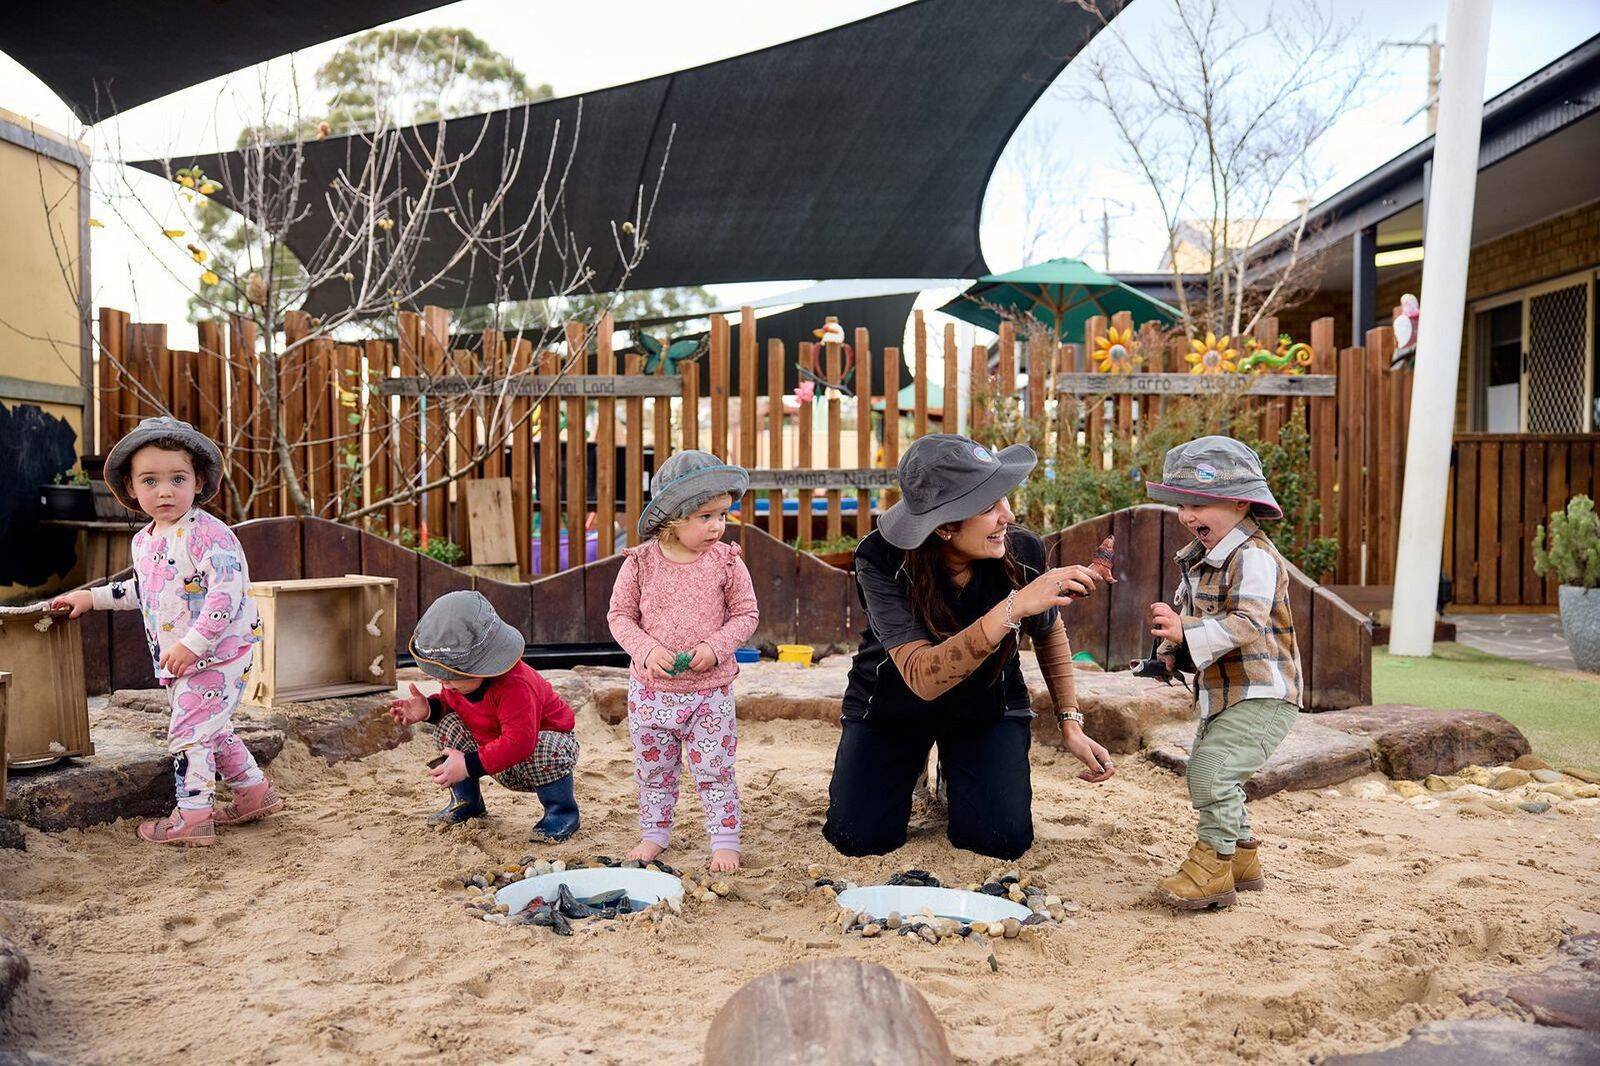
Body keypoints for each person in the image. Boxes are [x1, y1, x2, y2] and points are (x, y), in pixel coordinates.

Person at [822, 434, 1115, 862]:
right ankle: (913, 762)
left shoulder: (1022, 550)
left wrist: (1070, 722)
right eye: (988, 506)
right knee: (858, 839)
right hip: (893, 706)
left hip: (987, 704)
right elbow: (921, 678)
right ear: (943, 526)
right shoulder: (882, 558)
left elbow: (1049, 631)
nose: (1008, 515)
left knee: (1000, 842)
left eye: (1003, 499)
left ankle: (954, 770)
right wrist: (1014, 606)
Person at [51, 416, 282, 845]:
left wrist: (194, 644)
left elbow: (225, 595)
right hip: (181, 659)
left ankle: (193, 816)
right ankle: (253, 792)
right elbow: (145, 590)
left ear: (198, 482)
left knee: (187, 734)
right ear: (131, 489)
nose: (165, 491)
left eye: (178, 478)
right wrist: (92, 598)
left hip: (219, 654)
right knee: (208, 727)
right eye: (150, 480)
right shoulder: (146, 541)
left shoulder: (209, 535)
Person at [1144, 435, 1303, 911]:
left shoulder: (1253, 556)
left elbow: (1248, 622)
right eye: (1181, 504)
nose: (1188, 515)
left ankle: (1213, 866)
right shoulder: (1200, 561)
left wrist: (1185, 627)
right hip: (1226, 694)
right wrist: (1173, 651)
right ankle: (1243, 860)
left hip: (1263, 694)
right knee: (1216, 772)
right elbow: (1202, 632)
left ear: (1239, 502)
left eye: (1199, 502)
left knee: (1210, 774)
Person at [607, 450, 760, 873]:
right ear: (673, 518)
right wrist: (645, 650)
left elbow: (746, 614)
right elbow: (619, 616)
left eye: (723, 516)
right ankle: (655, 834)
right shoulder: (640, 563)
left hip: (708, 695)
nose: (717, 527)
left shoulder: (726, 563)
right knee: (654, 770)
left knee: (715, 769)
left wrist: (715, 647)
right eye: (706, 517)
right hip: (650, 694)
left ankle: (724, 840)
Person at [389, 591, 581, 840]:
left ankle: (562, 813)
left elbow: (520, 742)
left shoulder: (516, 686)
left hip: (537, 755)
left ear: (483, 666)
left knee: (546, 747)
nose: (443, 683)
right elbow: (450, 704)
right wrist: (428, 710)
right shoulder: (460, 685)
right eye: (438, 676)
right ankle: (467, 803)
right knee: (449, 725)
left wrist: (467, 765)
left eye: (450, 676)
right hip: (494, 752)